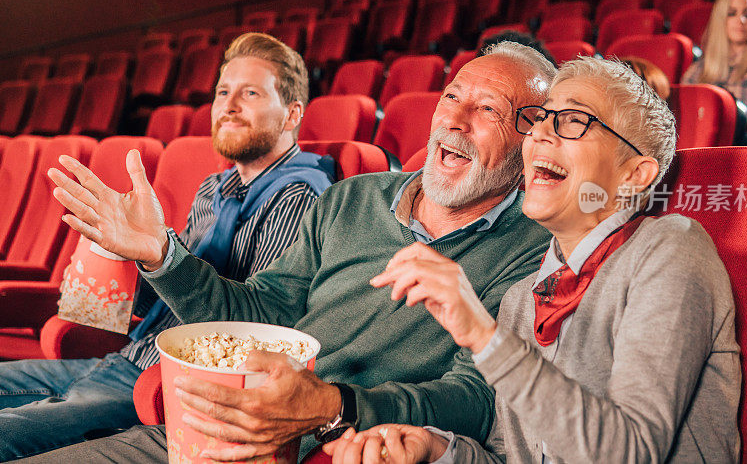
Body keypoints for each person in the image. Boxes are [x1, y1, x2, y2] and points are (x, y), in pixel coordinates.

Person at [24, 41, 556, 463]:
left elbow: (477, 396)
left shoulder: (533, 251)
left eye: (488, 108)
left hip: (341, 447)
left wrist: (336, 406)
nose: (455, 120)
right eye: (451, 97)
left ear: (533, 137)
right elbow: (259, 316)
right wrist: (163, 254)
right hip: (225, 433)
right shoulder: (353, 198)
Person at [327, 56, 742, 463]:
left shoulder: (671, 248)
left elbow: (629, 451)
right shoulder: (523, 298)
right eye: (541, 118)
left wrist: (486, 338)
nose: (540, 134)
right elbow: (508, 456)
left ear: (635, 174)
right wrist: (434, 449)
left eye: (574, 121)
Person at [0, 32, 336, 461]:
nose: (228, 106)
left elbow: (249, 328)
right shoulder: (214, 190)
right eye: (222, 92)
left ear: (292, 114)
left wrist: (158, 252)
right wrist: (119, 258)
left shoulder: (302, 197)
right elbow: (172, 292)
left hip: (166, 384)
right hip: (127, 357)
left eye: (249, 93)